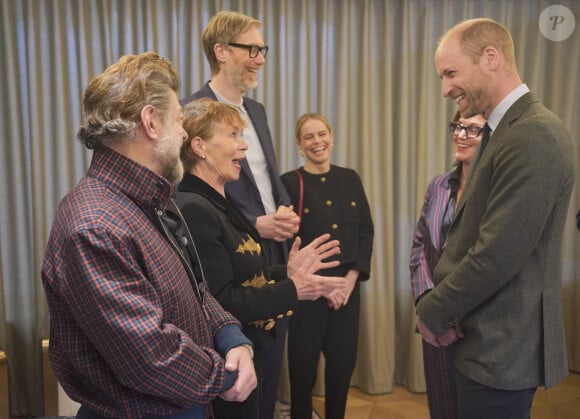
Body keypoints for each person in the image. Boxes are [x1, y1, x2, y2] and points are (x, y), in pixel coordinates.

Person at [40, 52, 257, 419]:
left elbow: (195, 292)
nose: (185, 133)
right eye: (178, 120)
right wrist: (226, 375)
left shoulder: (153, 200)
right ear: (151, 122)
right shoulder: (95, 226)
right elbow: (150, 357)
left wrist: (230, 336)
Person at [415, 18, 575, 419]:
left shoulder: (533, 135)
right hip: (481, 341)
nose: (445, 89)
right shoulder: (503, 131)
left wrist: (432, 311)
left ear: (490, 58)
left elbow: (496, 255)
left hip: (501, 350)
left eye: (451, 73)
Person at [174, 99, 347, 419]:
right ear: (199, 146)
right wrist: (294, 288)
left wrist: (287, 271)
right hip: (228, 362)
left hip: (252, 350)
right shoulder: (194, 208)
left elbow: (246, 273)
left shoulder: (217, 202)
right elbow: (221, 300)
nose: (244, 145)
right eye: (233, 135)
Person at [181, 12, 299, 419]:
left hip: (274, 254)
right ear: (221, 51)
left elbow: (267, 176)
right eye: (252, 49)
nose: (260, 59)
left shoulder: (258, 110)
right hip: (229, 261)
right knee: (239, 383)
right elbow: (195, 189)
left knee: (269, 371)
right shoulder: (190, 113)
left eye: (261, 50)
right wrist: (257, 223)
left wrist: (284, 211)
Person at [280, 113, 374, 419]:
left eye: (322, 134)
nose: (317, 142)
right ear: (299, 144)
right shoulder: (290, 182)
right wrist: (318, 286)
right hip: (308, 293)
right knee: (302, 371)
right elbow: (285, 243)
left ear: (331, 136)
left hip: (347, 290)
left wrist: (350, 280)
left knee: (341, 370)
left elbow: (365, 231)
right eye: (309, 137)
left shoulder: (350, 178)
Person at [409, 111, 486, 419]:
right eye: (458, 126)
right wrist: (428, 303)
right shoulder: (438, 185)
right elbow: (419, 246)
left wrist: (453, 308)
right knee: (441, 407)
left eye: (473, 129)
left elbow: (488, 258)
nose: (461, 134)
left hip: (477, 321)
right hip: (436, 321)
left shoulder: (496, 188)